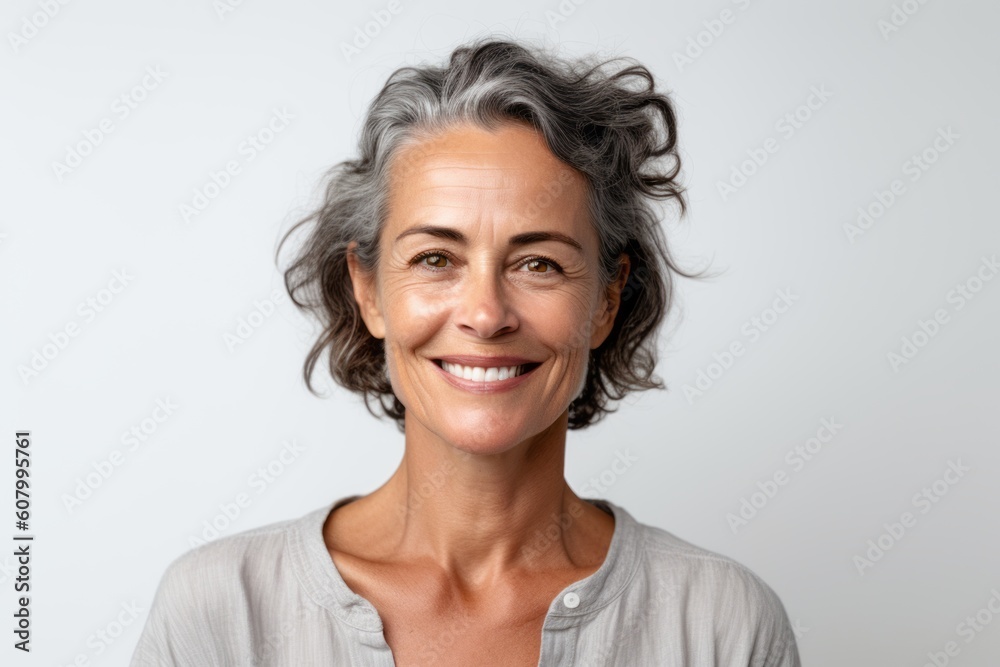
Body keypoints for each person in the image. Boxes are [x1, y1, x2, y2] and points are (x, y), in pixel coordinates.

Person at [130, 36, 801, 666]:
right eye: (434, 258)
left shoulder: (722, 625)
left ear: (606, 298)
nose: (484, 314)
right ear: (368, 290)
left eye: (538, 263)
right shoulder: (220, 612)